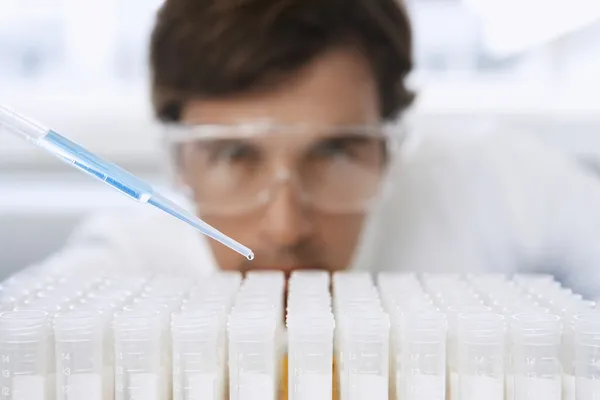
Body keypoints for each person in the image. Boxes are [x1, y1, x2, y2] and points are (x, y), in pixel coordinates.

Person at [25, 0, 600, 299]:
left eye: (334, 154)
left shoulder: (492, 180)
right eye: (233, 156)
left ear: (392, 147)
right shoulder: (118, 274)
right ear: (180, 162)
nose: (285, 227)